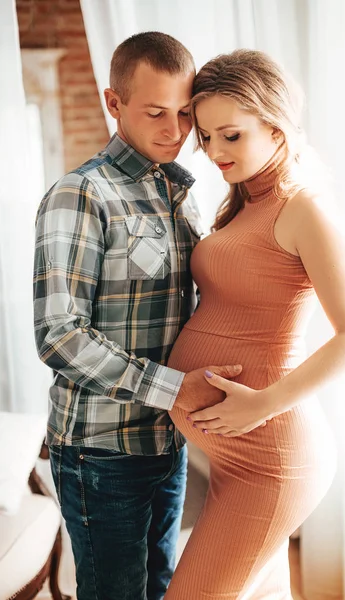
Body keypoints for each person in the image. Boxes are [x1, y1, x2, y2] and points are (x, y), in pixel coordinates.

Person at [33, 32, 242, 600]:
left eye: (184, 113)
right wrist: (176, 389)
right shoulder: (80, 195)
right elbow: (59, 336)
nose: (175, 131)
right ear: (113, 102)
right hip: (100, 452)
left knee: (159, 587)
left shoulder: (180, 195)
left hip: (166, 444)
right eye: (155, 112)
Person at [164, 49, 345, 599]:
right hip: (237, 457)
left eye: (231, 135)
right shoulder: (243, 205)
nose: (214, 152)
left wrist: (263, 403)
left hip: (270, 458)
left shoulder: (304, 209)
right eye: (206, 137)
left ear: (275, 125)